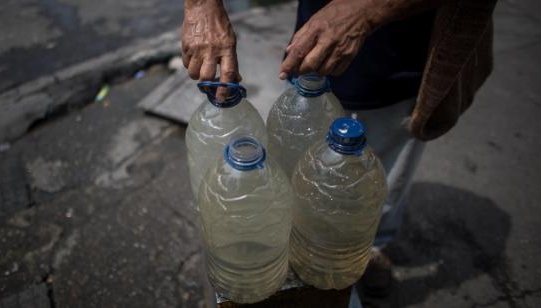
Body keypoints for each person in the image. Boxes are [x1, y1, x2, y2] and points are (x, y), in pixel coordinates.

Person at [182, 0, 497, 296]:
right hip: (314, 51)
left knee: (376, 185)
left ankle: (370, 249)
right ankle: (294, 240)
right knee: (290, 174)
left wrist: (365, 9)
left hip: (404, 61)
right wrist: (202, 4)